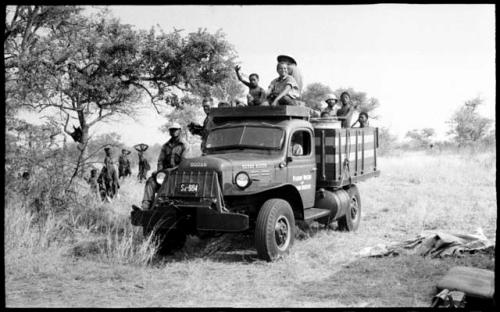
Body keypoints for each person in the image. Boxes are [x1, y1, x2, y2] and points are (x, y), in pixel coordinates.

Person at [139, 122, 186, 211]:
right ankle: (146, 206)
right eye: (171, 130)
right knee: (151, 181)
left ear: (180, 131)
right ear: (169, 132)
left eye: (175, 130)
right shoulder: (165, 146)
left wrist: (170, 171)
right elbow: (160, 161)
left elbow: (184, 163)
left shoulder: (184, 145)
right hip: (165, 175)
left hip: (178, 174)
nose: (173, 132)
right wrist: (160, 173)